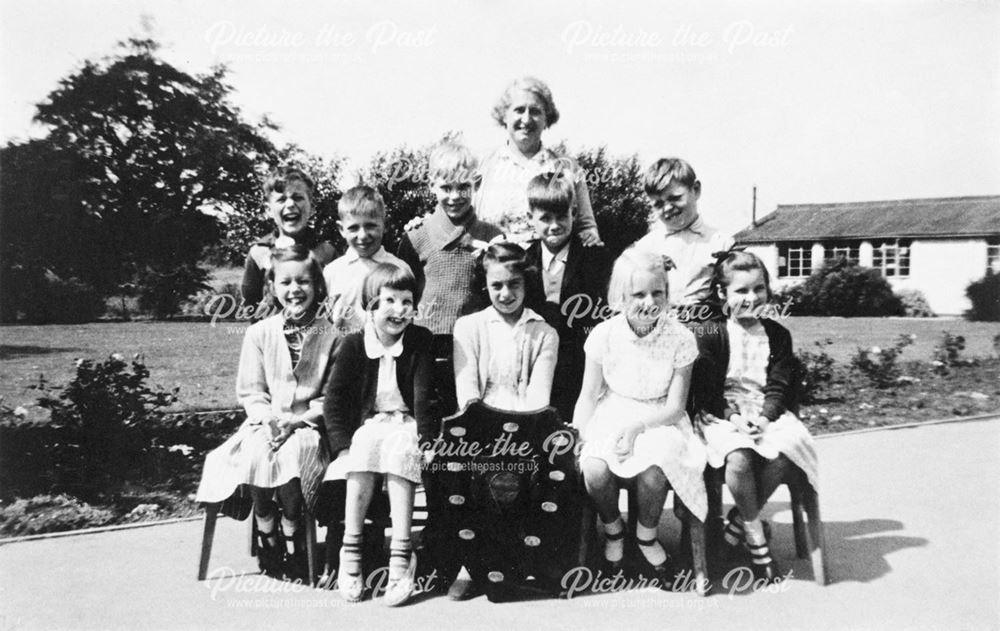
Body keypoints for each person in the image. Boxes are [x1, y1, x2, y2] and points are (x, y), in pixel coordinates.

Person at [196, 245, 337, 580]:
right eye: (285, 282)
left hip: (308, 425)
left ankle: (292, 532)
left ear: (317, 286)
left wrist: (300, 419)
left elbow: (332, 396)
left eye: (303, 281)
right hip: (266, 420)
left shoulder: (331, 334)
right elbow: (251, 390)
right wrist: (268, 418)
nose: (295, 290)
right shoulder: (259, 333)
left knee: (295, 454)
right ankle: (267, 530)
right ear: (273, 286)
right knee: (258, 450)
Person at [573, 248, 707, 583]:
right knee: (594, 466)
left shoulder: (680, 338)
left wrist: (638, 427)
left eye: (657, 293)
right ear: (620, 296)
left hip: (659, 416)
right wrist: (579, 433)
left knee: (655, 465)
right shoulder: (605, 335)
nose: (649, 302)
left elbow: (676, 406)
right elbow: (589, 395)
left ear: (667, 293)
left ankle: (646, 535)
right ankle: (614, 530)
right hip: (614, 409)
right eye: (638, 294)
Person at [691, 251, 818, 582]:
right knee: (739, 456)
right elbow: (707, 391)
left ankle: (735, 528)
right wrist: (734, 418)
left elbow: (778, 387)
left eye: (758, 289)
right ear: (723, 295)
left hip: (766, 411)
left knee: (788, 448)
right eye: (741, 291)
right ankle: (757, 541)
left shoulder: (777, 335)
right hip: (721, 414)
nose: (751, 298)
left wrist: (763, 419)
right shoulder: (710, 334)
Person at [321, 263, 434, 606]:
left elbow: (425, 398)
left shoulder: (419, 341)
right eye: (390, 301)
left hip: (407, 422)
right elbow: (335, 401)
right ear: (370, 306)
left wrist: (427, 441)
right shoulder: (355, 345)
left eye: (407, 302)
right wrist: (341, 446)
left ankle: (402, 554)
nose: (399, 310)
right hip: (370, 424)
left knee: (402, 448)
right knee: (364, 444)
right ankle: (350, 548)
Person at [396, 139, 503, 416]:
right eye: (446, 188)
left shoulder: (491, 237)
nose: (454, 196)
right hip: (426, 343)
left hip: (475, 342)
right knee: (429, 414)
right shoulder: (417, 235)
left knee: (470, 412)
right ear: (432, 185)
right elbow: (402, 294)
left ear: (475, 184)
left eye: (463, 187)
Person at [522, 170, 610, 424]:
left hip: (583, 366)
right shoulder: (524, 262)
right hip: (537, 366)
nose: (554, 225)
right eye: (545, 218)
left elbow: (606, 314)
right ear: (531, 218)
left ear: (573, 212)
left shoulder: (596, 258)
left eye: (561, 216)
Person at [475, 76, 602, 246]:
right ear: (504, 116)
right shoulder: (482, 165)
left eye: (535, 111)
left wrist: (589, 236)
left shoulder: (566, 168)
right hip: (492, 266)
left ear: (546, 119)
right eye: (519, 110)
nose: (526, 120)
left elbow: (586, 226)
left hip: (550, 268)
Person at [453, 242, 559, 412]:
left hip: (527, 420)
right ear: (484, 285)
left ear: (526, 283)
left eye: (514, 283)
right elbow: (467, 392)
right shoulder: (467, 327)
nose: (506, 294)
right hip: (477, 418)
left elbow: (539, 396)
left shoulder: (545, 334)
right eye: (497, 285)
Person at [633, 158, 734, 318]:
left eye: (675, 198)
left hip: (707, 328)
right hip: (659, 328)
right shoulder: (645, 247)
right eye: (658, 204)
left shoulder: (722, 242)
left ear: (696, 190)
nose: (667, 208)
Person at [242, 167, 337, 308]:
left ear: (312, 207)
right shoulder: (259, 253)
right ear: (269, 210)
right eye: (281, 200)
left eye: (298, 198)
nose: (291, 204)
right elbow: (250, 303)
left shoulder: (326, 252)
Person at [323, 185, 411, 334]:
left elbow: (408, 316)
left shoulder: (399, 268)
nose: (362, 235)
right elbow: (324, 320)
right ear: (341, 229)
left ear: (384, 225)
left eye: (370, 226)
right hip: (342, 353)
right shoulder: (332, 272)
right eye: (353, 228)